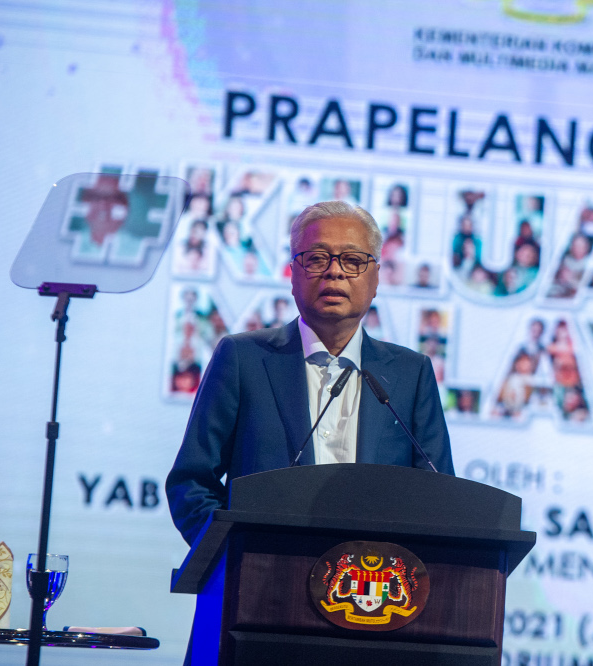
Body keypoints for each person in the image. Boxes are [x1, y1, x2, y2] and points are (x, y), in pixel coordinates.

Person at [166, 200, 454, 547]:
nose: (334, 272)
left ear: (376, 278)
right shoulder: (243, 358)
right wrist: (230, 555)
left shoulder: (411, 374)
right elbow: (192, 483)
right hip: (259, 584)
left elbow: (437, 497)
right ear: (293, 274)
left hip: (373, 588)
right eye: (317, 258)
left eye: (352, 261)